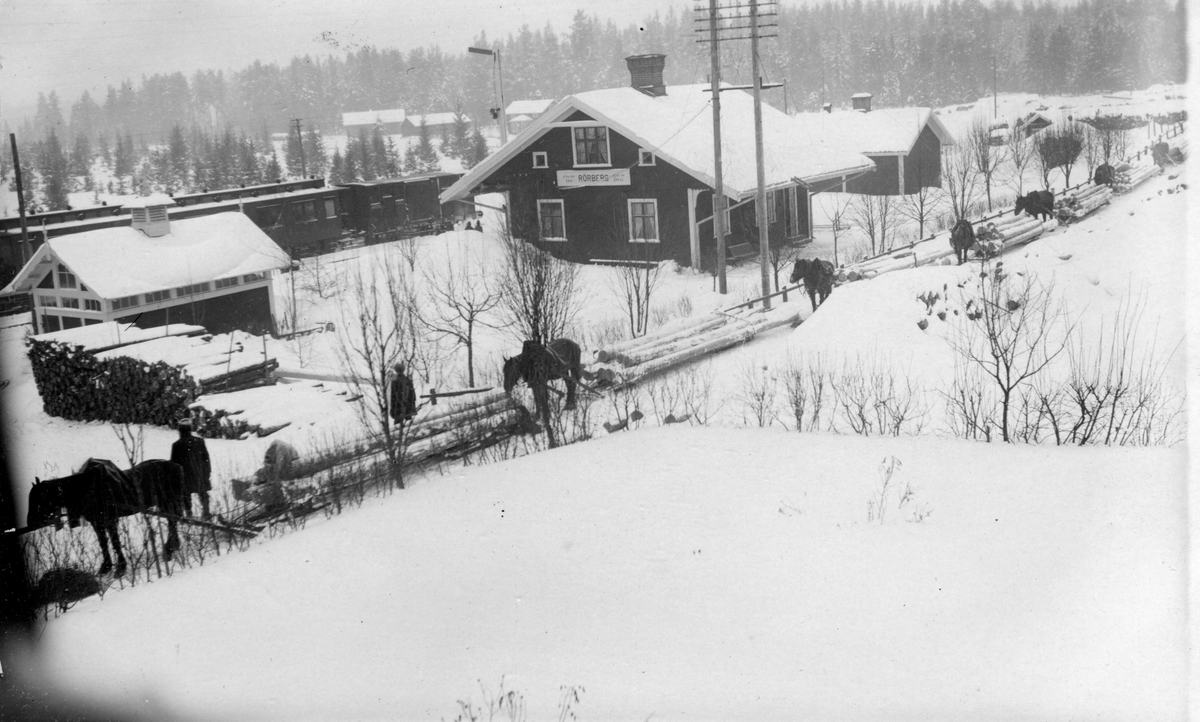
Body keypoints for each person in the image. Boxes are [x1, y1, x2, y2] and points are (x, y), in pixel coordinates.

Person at [170, 418, 212, 520]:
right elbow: (206, 459)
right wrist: (207, 473)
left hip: (185, 476)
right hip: (199, 475)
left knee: (185, 495)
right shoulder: (199, 441)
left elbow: (174, 464)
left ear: (180, 431)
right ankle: (206, 513)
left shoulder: (177, 445)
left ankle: (189, 514)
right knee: (203, 494)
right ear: (190, 429)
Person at [388, 362, 418, 428]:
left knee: (398, 429)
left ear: (396, 370)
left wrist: (393, 410)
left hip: (398, 409)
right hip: (408, 408)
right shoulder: (409, 381)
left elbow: (393, 398)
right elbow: (413, 397)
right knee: (409, 427)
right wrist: (411, 407)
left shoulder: (394, 382)